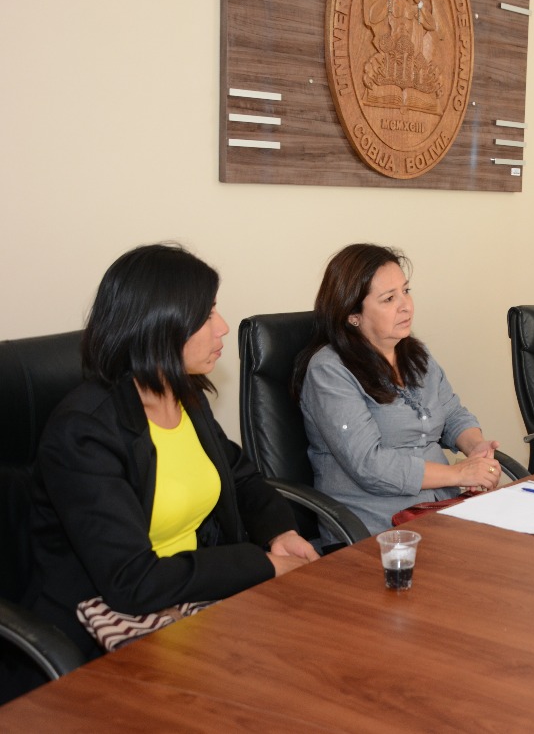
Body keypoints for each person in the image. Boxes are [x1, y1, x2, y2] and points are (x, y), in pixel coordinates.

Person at [27, 244, 318, 660]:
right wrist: (261, 563)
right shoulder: (83, 432)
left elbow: (242, 478)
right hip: (103, 636)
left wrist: (280, 532)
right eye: (205, 315)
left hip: (194, 610)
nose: (221, 326)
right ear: (158, 326)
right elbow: (134, 582)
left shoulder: (185, 399)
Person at [296, 244, 501, 541]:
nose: (406, 305)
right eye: (389, 299)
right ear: (353, 314)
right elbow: (370, 464)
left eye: (406, 291)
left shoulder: (416, 354)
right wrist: (460, 474)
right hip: (377, 528)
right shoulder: (329, 371)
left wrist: (476, 447)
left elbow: (452, 413)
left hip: (442, 512)